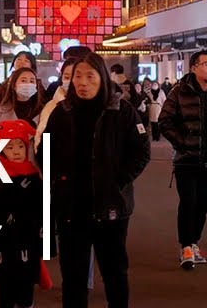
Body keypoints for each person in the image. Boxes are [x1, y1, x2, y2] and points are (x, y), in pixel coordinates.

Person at [43, 51, 151, 308]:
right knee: (73, 278)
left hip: (111, 207)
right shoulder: (62, 111)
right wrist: (57, 181)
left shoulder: (122, 110)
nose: (82, 82)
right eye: (77, 76)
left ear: (102, 78)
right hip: (71, 208)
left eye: (89, 76)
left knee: (115, 273)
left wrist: (118, 180)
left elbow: (141, 151)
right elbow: (45, 150)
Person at [157, 49, 207, 269]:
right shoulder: (180, 91)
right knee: (188, 203)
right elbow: (164, 121)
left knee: (202, 205)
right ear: (194, 68)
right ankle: (186, 247)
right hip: (186, 160)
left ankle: (194, 242)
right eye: (205, 64)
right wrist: (182, 142)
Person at [0, 119, 54, 308]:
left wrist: (47, 243)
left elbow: (44, 211)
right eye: (9, 148)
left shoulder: (34, 177)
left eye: (20, 146)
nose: (16, 151)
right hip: (2, 241)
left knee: (26, 285)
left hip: (28, 239)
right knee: (5, 287)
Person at [145, 78, 165, 143]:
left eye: (156, 84)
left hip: (158, 108)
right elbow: (147, 99)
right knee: (153, 123)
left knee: (157, 123)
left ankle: (158, 136)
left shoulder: (161, 92)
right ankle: (154, 136)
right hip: (152, 107)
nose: (155, 85)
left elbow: (164, 100)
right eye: (154, 84)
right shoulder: (149, 92)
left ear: (158, 85)